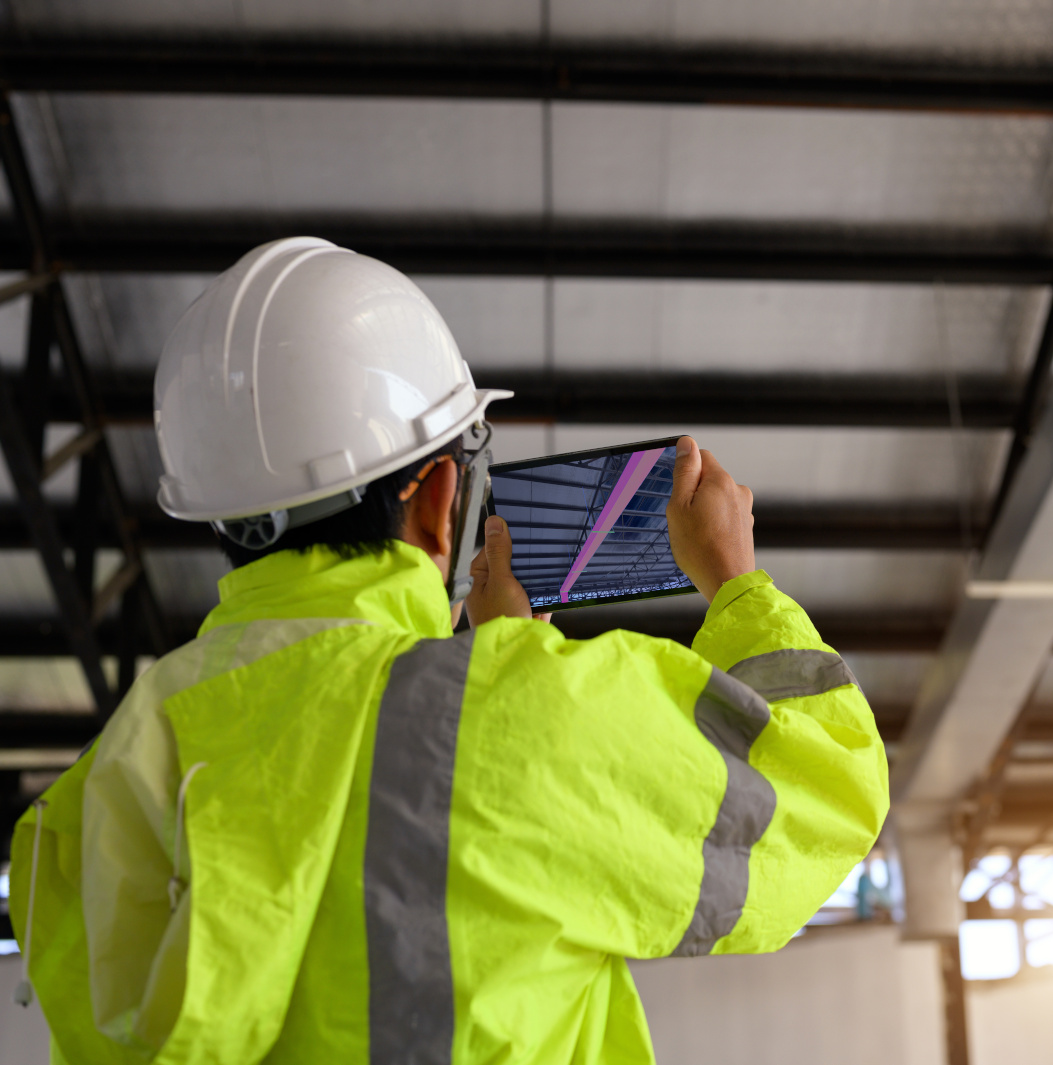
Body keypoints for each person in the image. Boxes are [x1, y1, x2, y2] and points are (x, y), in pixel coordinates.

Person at [9, 237, 888, 1064]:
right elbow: (827, 791)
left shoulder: (96, 789)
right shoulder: (523, 718)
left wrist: (495, 675)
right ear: (436, 499)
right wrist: (737, 586)